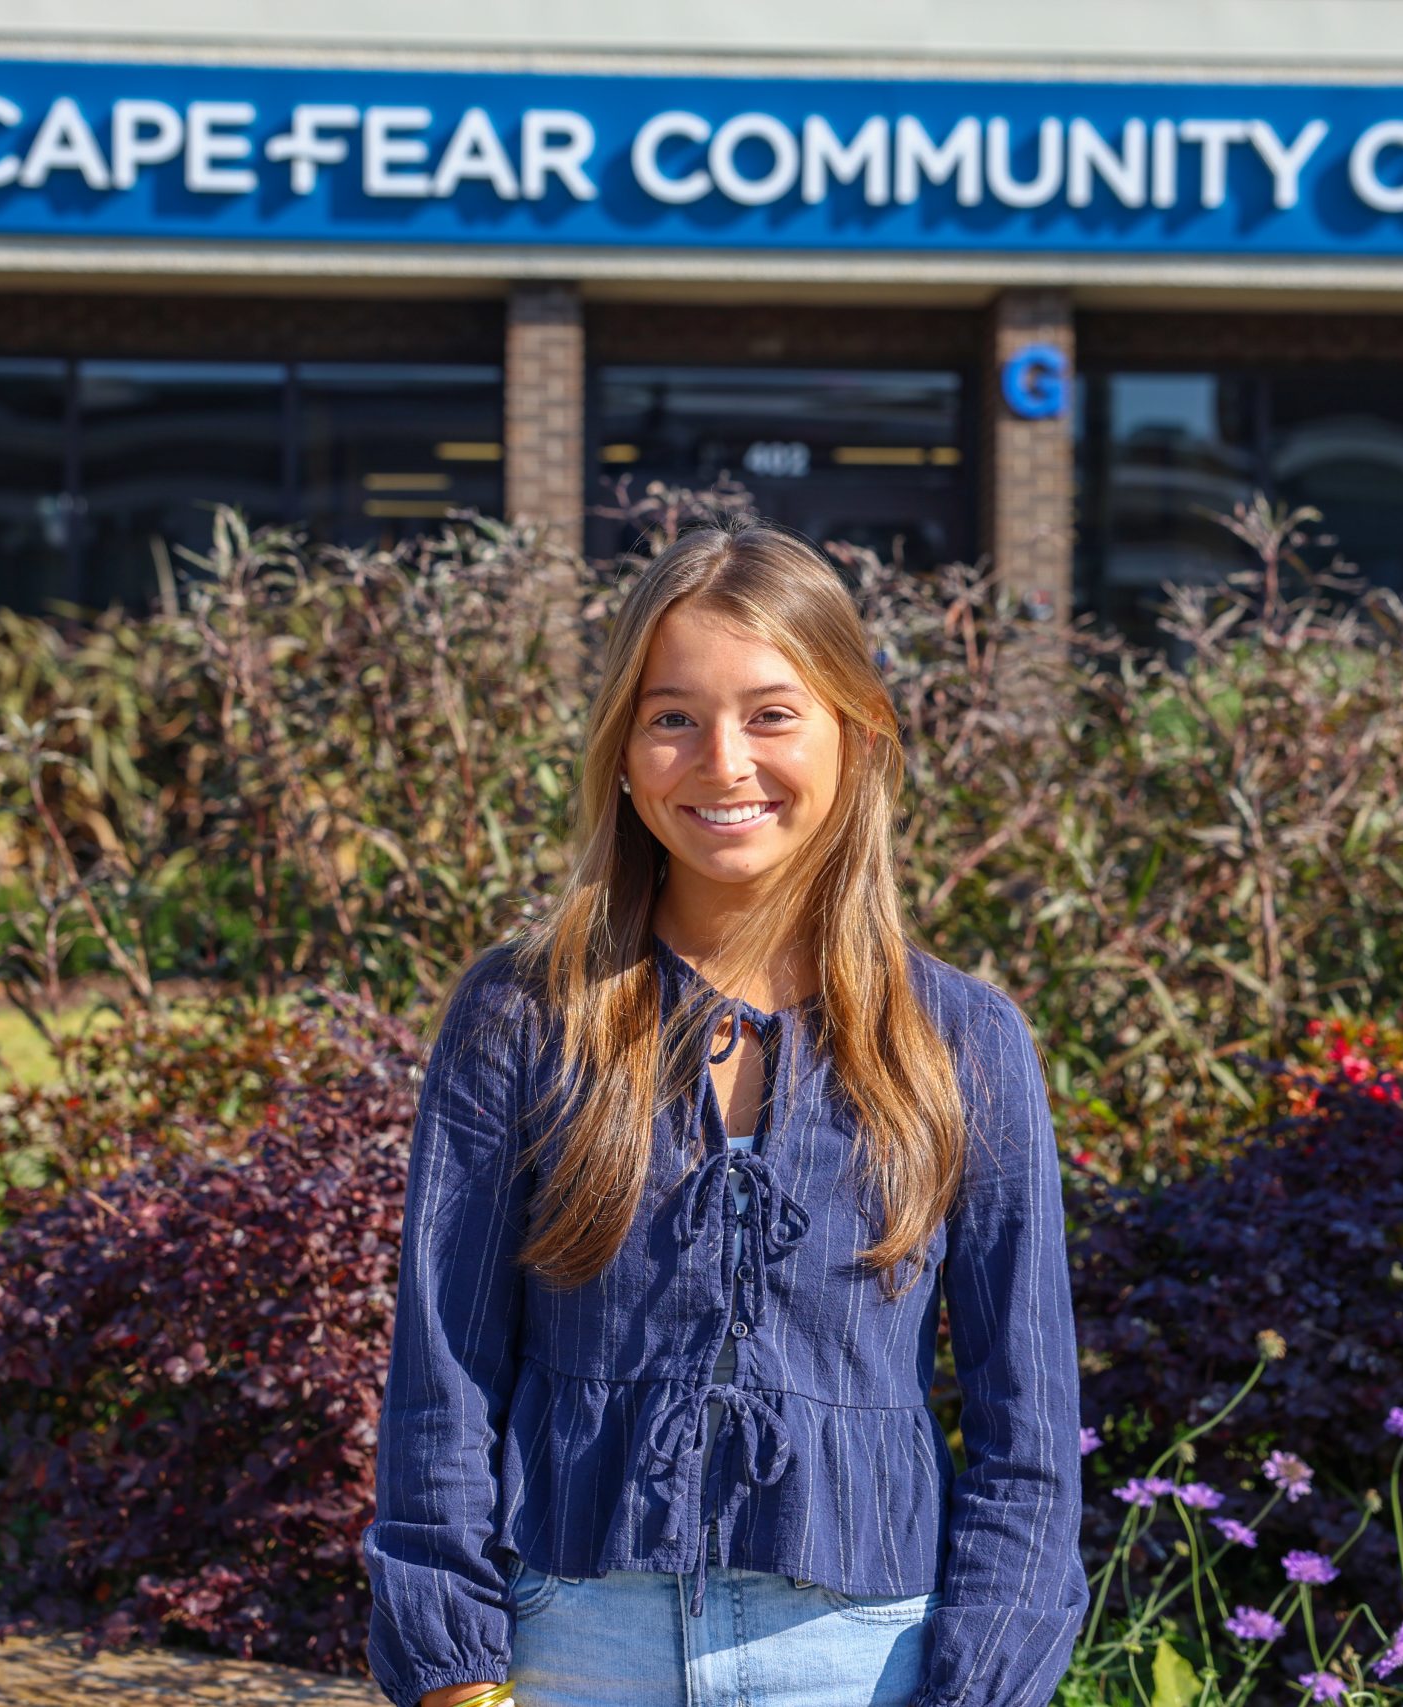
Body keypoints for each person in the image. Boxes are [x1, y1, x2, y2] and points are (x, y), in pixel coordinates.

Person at [362, 520, 1086, 1707]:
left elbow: (1029, 1424)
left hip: (866, 1659)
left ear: (853, 735)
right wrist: (450, 1665)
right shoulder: (520, 1015)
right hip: (567, 1648)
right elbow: (443, 1366)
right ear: (624, 748)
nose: (721, 760)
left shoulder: (964, 1041)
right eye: (672, 717)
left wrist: (985, 1684)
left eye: (769, 713)